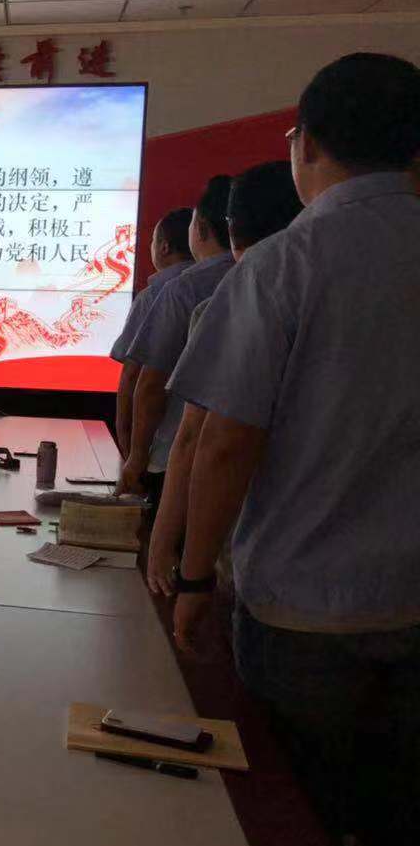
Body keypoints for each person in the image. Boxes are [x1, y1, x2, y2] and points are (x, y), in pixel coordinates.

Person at [168, 53, 420, 846]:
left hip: (302, 611)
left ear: (304, 143)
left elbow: (225, 440)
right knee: (406, 832)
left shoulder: (285, 262)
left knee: (298, 838)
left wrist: (193, 578)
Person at [145, 162, 302, 603]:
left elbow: (203, 440)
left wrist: (182, 566)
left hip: (255, 549)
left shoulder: (224, 302)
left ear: (229, 228)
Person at [116, 175, 234, 499]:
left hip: (173, 456)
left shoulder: (181, 289)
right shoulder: (259, 278)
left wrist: (133, 456)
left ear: (202, 229)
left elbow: (145, 382)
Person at [112, 207, 193, 460]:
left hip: (157, 446)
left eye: (153, 241)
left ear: (164, 247)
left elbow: (133, 377)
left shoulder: (155, 295)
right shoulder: (221, 284)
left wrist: (129, 451)